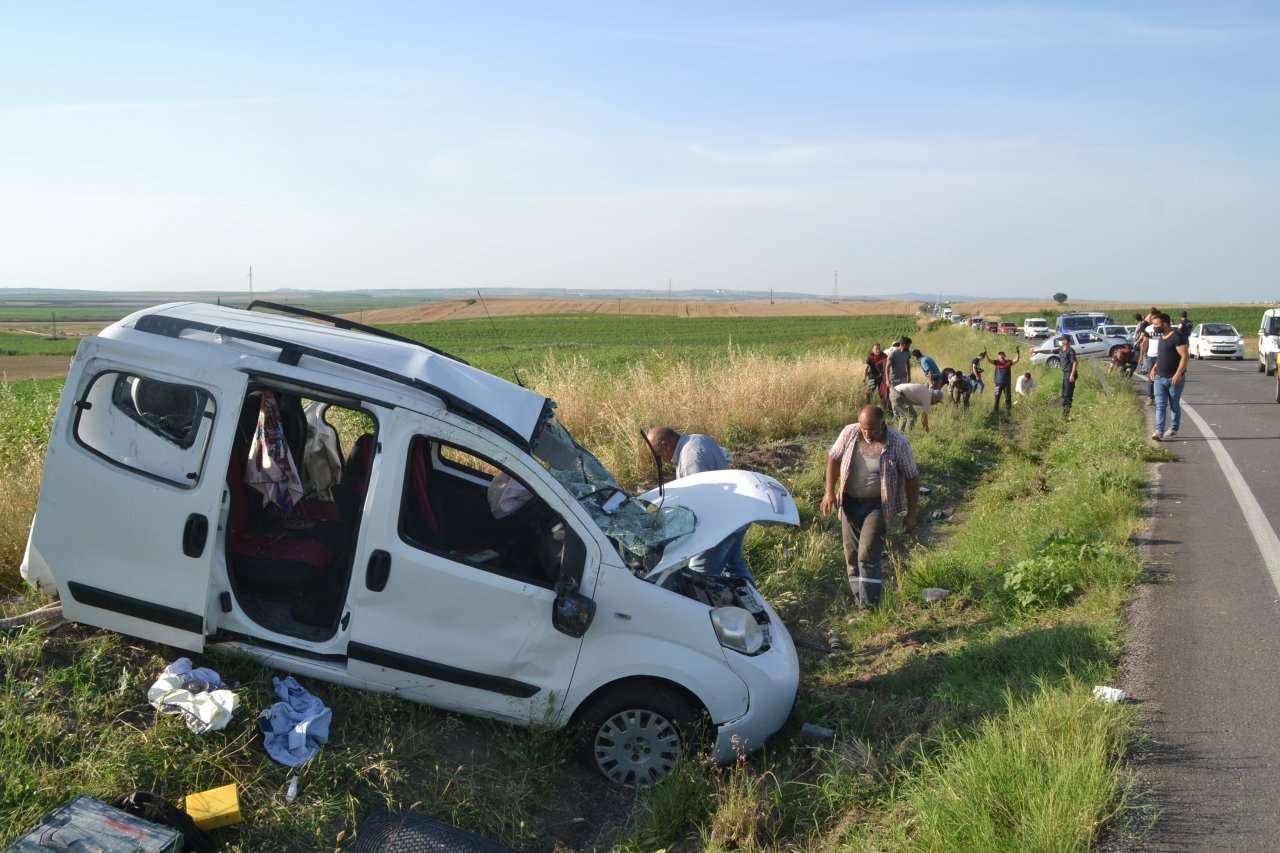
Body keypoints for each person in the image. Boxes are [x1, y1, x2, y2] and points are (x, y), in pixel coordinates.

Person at [821, 406, 920, 609]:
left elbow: (912, 478)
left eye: (873, 429)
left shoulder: (898, 443)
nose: (867, 433)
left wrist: (912, 514)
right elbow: (834, 459)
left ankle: (870, 606)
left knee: (866, 553)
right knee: (851, 554)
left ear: (883, 424)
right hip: (849, 503)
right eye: (864, 428)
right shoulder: (849, 433)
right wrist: (829, 492)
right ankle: (860, 597)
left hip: (878, 505)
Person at [645, 426, 753, 582]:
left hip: (719, 525)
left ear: (666, 445)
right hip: (734, 515)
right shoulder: (698, 439)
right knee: (735, 567)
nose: (661, 460)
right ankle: (750, 597)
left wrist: (706, 541)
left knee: (699, 577)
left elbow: (703, 502)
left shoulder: (690, 460)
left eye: (659, 455)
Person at [1147, 312, 1189, 441]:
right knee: (1160, 405)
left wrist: (1178, 374)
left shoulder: (1177, 337)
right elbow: (1162, 356)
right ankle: (1159, 431)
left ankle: (1173, 428)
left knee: (1174, 405)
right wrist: (1154, 368)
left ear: (1165, 324)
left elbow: (1185, 357)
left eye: (1156, 325)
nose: (1154, 327)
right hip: (1160, 378)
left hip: (1174, 379)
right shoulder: (1162, 337)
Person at [982, 349, 1021, 415]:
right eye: (1000, 355)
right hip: (998, 384)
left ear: (1004, 355)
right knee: (997, 398)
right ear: (998, 357)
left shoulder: (1008, 362)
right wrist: (986, 355)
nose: (1001, 356)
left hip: (1007, 384)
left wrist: (1018, 353)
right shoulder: (996, 362)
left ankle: (1008, 412)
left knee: (1008, 398)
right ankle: (995, 411)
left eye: (1002, 355)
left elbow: (1016, 360)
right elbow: (989, 360)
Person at [1136, 306, 1159, 406]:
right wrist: (1141, 356)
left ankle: (1160, 398)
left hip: (1161, 357)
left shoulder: (1163, 329)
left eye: (1155, 318)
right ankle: (1150, 398)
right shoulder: (1148, 329)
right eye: (1152, 318)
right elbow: (1144, 342)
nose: (1153, 320)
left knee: (1161, 378)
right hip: (1151, 356)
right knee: (1151, 378)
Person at [864, 343, 889, 408]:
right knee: (870, 392)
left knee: (882, 393)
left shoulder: (884, 356)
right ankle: (867, 407)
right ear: (873, 350)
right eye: (876, 349)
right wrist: (864, 378)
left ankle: (884, 408)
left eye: (879, 349)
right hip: (872, 376)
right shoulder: (870, 357)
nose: (878, 350)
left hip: (882, 377)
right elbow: (866, 368)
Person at [1059, 338, 1078, 417]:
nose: (1061, 341)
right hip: (1065, 373)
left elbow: (1075, 362)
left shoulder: (1070, 350)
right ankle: (1065, 410)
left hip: (1070, 374)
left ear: (1066, 341)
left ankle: (1066, 414)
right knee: (1064, 393)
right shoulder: (1061, 349)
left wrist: (1072, 375)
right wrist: (1037, 351)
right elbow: (1050, 351)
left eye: (1063, 340)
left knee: (1068, 393)